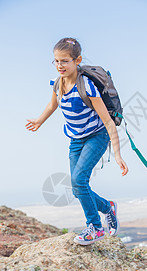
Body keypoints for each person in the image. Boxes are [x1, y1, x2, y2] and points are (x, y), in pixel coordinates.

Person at [25, 37, 128, 246]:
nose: (60, 66)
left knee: (79, 181)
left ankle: (96, 228)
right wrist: (39, 120)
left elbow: (108, 123)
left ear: (77, 60)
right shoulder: (58, 84)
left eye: (65, 61)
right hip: (75, 140)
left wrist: (117, 154)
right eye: (56, 61)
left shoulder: (87, 86)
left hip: (97, 136)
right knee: (77, 187)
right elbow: (52, 106)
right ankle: (108, 207)